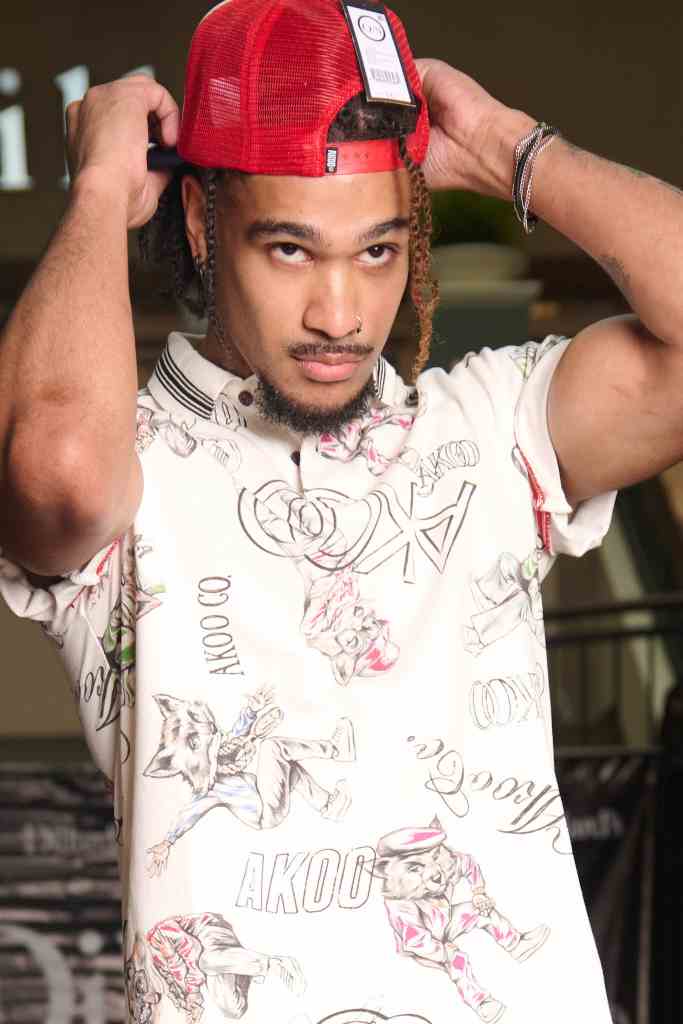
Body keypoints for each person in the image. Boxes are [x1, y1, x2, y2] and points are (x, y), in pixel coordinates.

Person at [1, 0, 682, 1020]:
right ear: (202, 223)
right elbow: (53, 465)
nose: (340, 315)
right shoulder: (130, 466)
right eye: (289, 249)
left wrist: (510, 151)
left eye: (375, 251)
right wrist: (99, 188)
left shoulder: (490, 430)